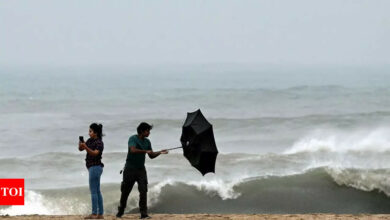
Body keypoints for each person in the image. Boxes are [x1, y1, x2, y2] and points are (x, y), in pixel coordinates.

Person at [116, 122, 168, 219]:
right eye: (147, 131)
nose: (149, 133)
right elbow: (132, 150)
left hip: (141, 170)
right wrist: (145, 151)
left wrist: (160, 152)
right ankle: (120, 211)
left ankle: (143, 214)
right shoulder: (133, 138)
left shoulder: (147, 142)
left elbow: (151, 155)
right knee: (125, 192)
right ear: (142, 131)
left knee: (143, 191)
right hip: (129, 169)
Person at [79, 123, 105, 219]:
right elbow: (80, 149)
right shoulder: (90, 141)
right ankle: (100, 214)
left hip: (95, 167)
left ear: (96, 133)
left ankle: (94, 213)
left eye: (90, 131)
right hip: (92, 168)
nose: (89, 133)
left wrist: (85, 147)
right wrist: (81, 144)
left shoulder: (99, 142)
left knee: (93, 191)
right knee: (97, 191)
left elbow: (95, 153)